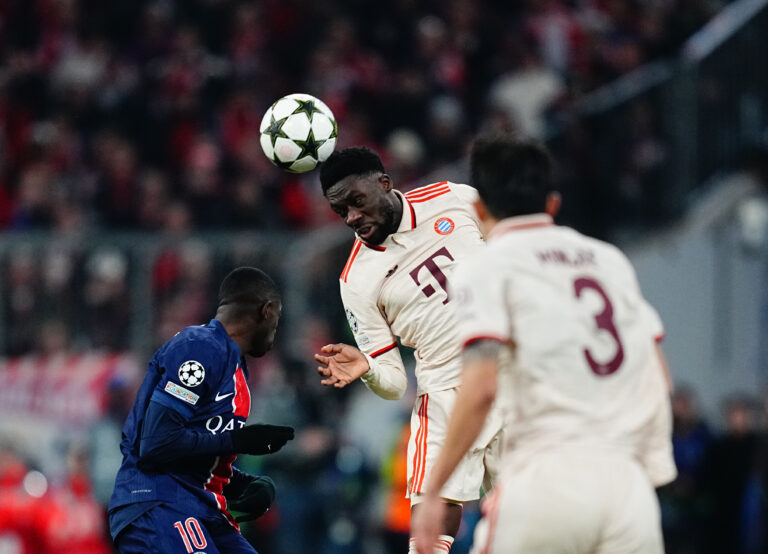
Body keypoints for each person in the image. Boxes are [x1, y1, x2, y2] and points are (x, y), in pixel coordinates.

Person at [412, 135, 677, 553]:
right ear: (552, 203)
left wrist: (432, 494)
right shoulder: (609, 260)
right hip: (627, 485)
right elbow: (658, 377)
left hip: (547, 479)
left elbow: (480, 389)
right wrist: (651, 466)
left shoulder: (485, 268)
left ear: (479, 209)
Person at [314, 146, 504, 553]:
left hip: (509, 372)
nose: (351, 218)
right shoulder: (355, 280)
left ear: (384, 184)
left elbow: (514, 252)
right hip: (442, 392)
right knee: (429, 526)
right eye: (340, 211)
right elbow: (394, 384)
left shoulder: (453, 198)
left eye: (357, 202)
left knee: (536, 517)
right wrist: (367, 366)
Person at [108, 267, 295, 554]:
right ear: (266, 311)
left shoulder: (233, 366)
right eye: (277, 320)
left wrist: (241, 484)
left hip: (201, 505)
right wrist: (240, 441)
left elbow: (193, 452)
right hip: (159, 502)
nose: (274, 333)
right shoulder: (199, 347)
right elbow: (156, 443)